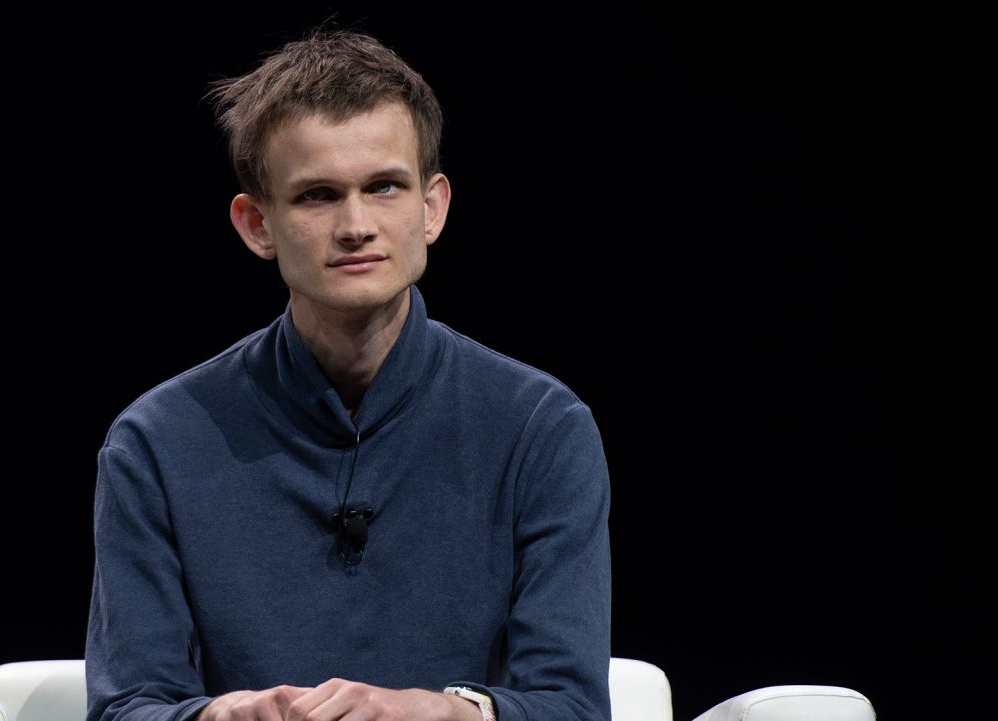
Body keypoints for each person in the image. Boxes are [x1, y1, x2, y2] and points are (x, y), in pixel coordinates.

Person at [86, 28, 612, 721]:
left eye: (385, 186)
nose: (356, 224)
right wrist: (215, 717)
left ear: (432, 208)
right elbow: (125, 706)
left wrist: (443, 711)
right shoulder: (158, 440)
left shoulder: (541, 427)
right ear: (256, 224)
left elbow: (573, 706)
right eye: (318, 195)